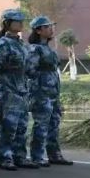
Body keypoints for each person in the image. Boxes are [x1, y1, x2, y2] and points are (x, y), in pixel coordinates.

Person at [0, 9, 31, 171]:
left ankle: (19, 156)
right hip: (8, 89)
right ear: (7, 23)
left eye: (21, 21)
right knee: (8, 125)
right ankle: (5, 157)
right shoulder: (2, 44)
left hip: (22, 88)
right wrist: (4, 80)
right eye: (16, 21)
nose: (20, 23)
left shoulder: (21, 44)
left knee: (21, 125)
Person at [27, 16, 72, 166]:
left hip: (53, 92)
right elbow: (30, 70)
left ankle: (54, 154)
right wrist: (39, 86)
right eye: (46, 27)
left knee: (54, 123)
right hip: (41, 93)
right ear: (38, 31)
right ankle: (37, 156)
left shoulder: (49, 49)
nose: (50, 29)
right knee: (41, 124)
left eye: (50, 26)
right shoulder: (34, 49)